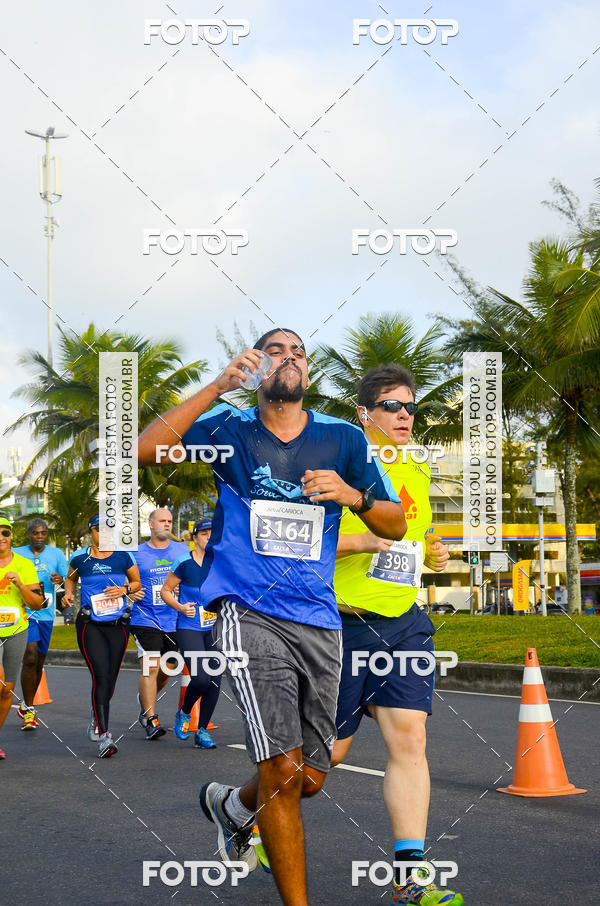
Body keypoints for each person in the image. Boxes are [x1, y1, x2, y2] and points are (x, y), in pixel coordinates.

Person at [138, 328, 407, 906]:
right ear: (258, 369)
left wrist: (353, 497)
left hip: (319, 619)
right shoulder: (227, 429)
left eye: (300, 353)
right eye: (277, 351)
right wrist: (217, 385)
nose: (291, 359)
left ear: (307, 374)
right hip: (248, 612)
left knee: (307, 778)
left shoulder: (342, 440)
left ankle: (233, 807)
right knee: (283, 772)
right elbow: (144, 450)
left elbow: (394, 524)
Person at [330, 365, 463, 906]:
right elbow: (287, 541)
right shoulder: (336, 464)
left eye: (411, 407)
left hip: (404, 623)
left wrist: (431, 550)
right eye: (393, 406)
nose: (406, 415)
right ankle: (246, 813)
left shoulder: (414, 467)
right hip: (338, 623)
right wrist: (364, 543)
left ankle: (410, 877)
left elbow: (418, 527)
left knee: (410, 739)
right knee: (326, 758)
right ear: (365, 413)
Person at [63, 514, 141, 758]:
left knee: (110, 677)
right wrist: (67, 594)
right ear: (91, 533)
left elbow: (137, 582)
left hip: (118, 625)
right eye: (98, 530)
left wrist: (124, 589)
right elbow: (70, 579)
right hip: (90, 625)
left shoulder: (123, 556)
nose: (103, 534)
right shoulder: (80, 558)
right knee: (99, 674)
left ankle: (97, 713)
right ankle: (104, 735)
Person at [161, 518, 220, 749]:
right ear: (195, 538)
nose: (208, 538)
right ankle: (184, 712)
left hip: (214, 628)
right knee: (201, 678)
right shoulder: (184, 562)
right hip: (189, 627)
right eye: (204, 534)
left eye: (211, 534)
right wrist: (180, 607)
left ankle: (203, 731)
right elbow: (166, 591)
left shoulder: (220, 562)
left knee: (215, 682)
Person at [129, 508, 188, 739]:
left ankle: (146, 697)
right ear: (151, 524)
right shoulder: (136, 553)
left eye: (170, 521)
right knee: (150, 666)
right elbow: (128, 582)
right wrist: (129, 594)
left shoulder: (182, 551)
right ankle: (151, 719)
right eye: (162, 521)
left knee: (167, 669)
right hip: (146, 617)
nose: (167, 524)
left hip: (174, 618)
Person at [14, 517, 68, 730]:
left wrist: (60, 580)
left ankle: (27, 704)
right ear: (28, 534)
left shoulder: (56, 554)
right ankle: (28, 708)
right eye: (35, 533)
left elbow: (67, 580)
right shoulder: (17, 553)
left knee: (38, 662)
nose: (39, 537)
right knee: (30, 655)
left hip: (46, 613)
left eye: (43, 533)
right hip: (24, 612)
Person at [0, 517, 45, 759]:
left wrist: (20, 585)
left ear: (11, 537)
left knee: (7, 690)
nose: (1, 537)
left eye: (5, 532)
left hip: (16, 630)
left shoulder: (24, 564)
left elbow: (37, 603)